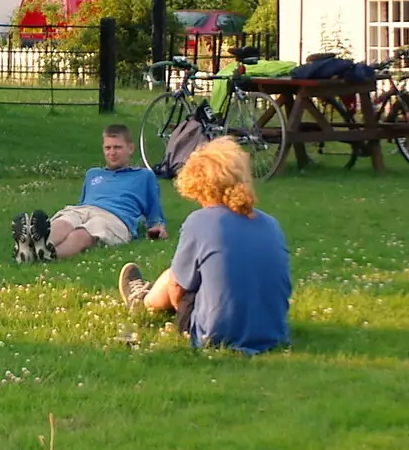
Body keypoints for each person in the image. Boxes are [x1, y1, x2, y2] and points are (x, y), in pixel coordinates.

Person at [118, 137, 291, 354]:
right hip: (273, 332)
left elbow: (177, 287)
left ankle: (142, 300)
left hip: (215, 335)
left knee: (175, 274)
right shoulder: (271, 224)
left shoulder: (200, 221)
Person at [11, 123, 167, 263]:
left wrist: (157, 227)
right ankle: (36, 245)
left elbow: (154, 212)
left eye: (117, 147)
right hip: (84, 209)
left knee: (84, 232)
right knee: (66, 220)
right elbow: (83, 203)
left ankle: (48, 254)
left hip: (115, 218)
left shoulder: (144, 176)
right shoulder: (93, 174)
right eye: (108, 148)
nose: (112, 152)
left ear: (131, 148)